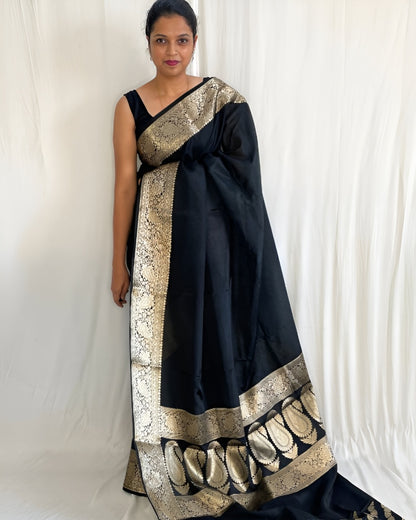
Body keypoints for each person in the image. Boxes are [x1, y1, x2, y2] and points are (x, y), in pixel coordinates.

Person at [111, 1, 403, 519]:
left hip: (220, 257)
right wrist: (118, 261)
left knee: (221, 344)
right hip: (162, 261)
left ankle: (232, 451)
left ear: (194, 42)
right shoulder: (129, 107)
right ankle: (175, 455)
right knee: (175, 351)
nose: (172, 50)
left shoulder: (222, 101)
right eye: (161, 40)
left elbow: (244, 178)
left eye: (181, 40)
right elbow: (125, 185)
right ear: (148, 43)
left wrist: (185, 178)